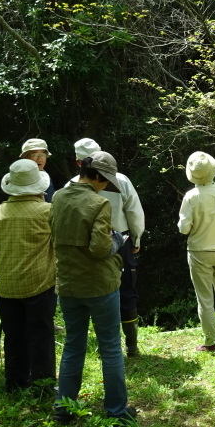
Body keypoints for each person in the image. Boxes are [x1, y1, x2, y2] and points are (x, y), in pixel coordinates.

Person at [51, 151, 136, 424]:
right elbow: (100, 249)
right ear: (97, 176)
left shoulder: (58, 197)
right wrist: (118, 241)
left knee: (73, 346)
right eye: (105, 181)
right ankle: (116, 411)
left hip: (67, 284)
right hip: (100, 285)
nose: (106, 185)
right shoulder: (98, 204)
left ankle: (63, 408)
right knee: (110, 347)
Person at [72, 138, 145, 357]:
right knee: (126, 290)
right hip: (121, 241)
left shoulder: (71, 185)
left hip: (86, 246)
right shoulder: (121, 180)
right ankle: (131, 346)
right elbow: (134, 211)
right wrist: (136, 239)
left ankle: (104, 345)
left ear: (78, 163)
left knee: (95, 290)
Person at [0, 159, 56, 393]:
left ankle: (14, 383)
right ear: (39, 187)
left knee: (13, 335)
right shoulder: (47, 211)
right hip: (40, 283)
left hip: (6, 286)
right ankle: (43, 386)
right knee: (41, 336)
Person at [177, 151, 215, 351]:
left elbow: (183, 228)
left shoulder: (191, 196)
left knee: (205, 298)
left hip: (199, 251)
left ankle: (211, 342)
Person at [20, 138, 56, 202]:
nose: (39, 159)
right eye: (35, 155)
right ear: (25, 157)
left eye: (42, 155)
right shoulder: (18, 176)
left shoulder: (45, 176)